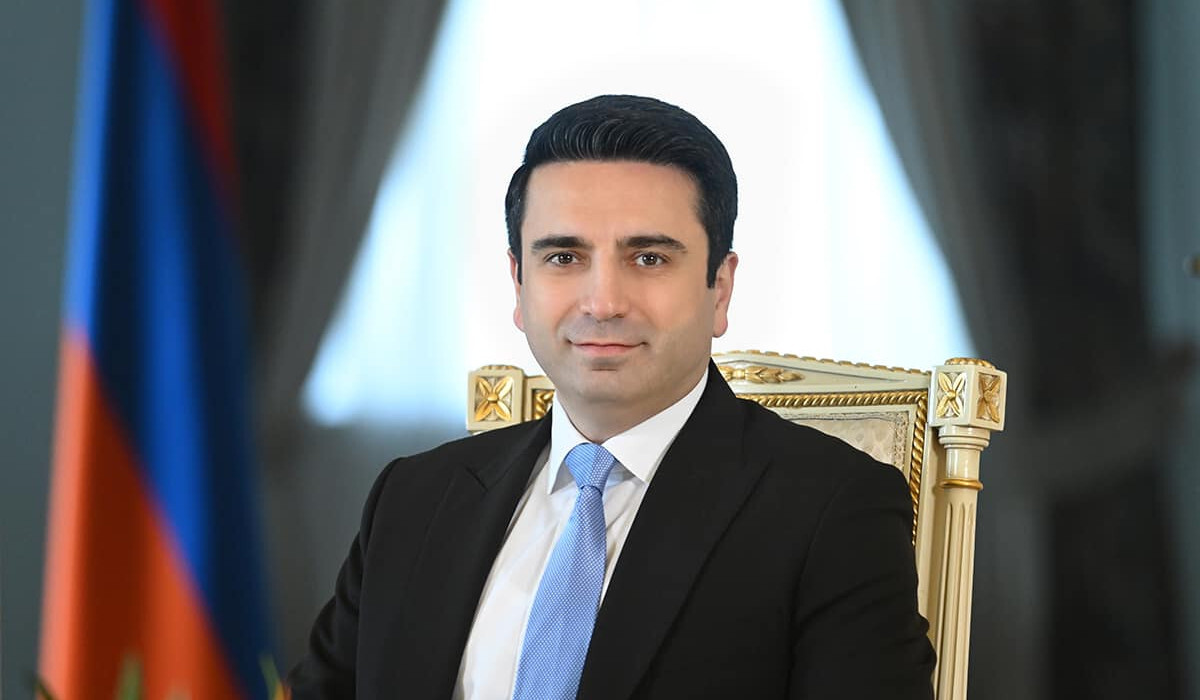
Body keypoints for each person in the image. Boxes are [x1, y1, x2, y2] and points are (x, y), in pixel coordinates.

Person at [288, 95, 935, 699]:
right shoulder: (412, 499)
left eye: (648, 258)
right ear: (518, 284)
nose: (602, 303)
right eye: (563, 258)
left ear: (720, 287)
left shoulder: (830, 512)